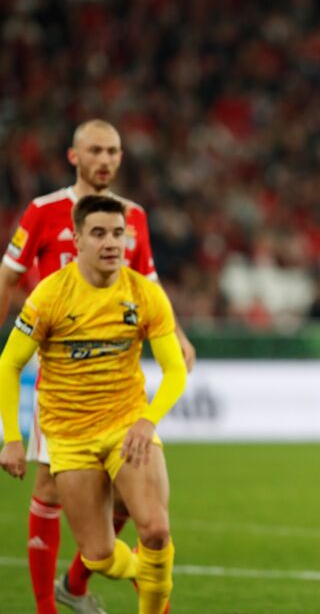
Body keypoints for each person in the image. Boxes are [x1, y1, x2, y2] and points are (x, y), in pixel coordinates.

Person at [0, 119, 195, 614]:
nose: (104, 160)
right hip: (59, 381)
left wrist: (178, 336)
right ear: (74, 156)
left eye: (113, 151)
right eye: (95, 150)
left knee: (141, 514)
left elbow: (149, 284)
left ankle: (82, 583)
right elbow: (8, 279)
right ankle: (51, 602)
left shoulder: (135, 217)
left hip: (119, 388)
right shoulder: (43, 212)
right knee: (49, 489)